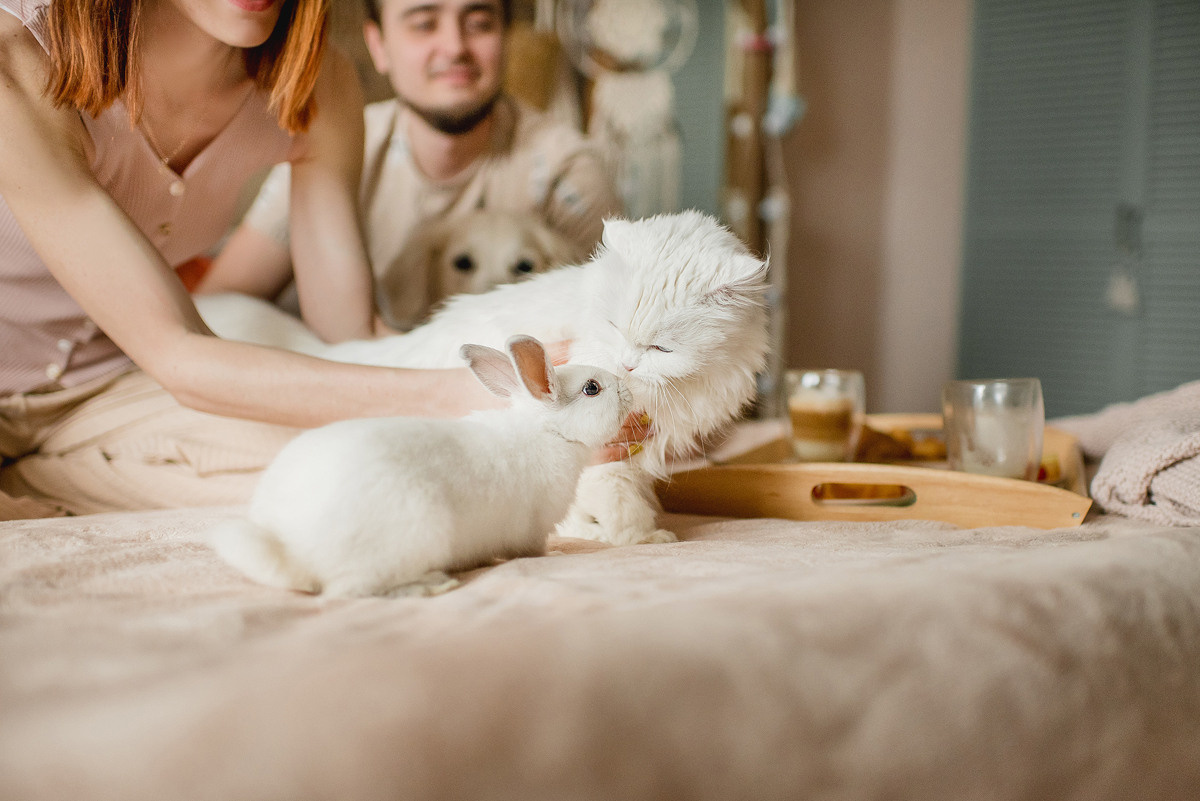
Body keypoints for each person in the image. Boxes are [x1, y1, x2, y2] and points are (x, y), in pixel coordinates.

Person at [0, 0, 645, 520]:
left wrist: (543, 406)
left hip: (105, 391)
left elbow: (352, 333)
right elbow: (181, 355)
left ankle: (39, 486)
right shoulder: (18, 61)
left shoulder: (316, 83)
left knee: (346, 473)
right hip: (144, 370)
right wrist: (471, 397)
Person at [201, 0, 621, 326]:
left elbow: (607, 337)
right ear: (378, 46)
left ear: (505, 38)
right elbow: (217, 307)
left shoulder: (568, 172)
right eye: (424, 23)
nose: (456, 47)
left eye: (479, 23)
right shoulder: (334, 151)